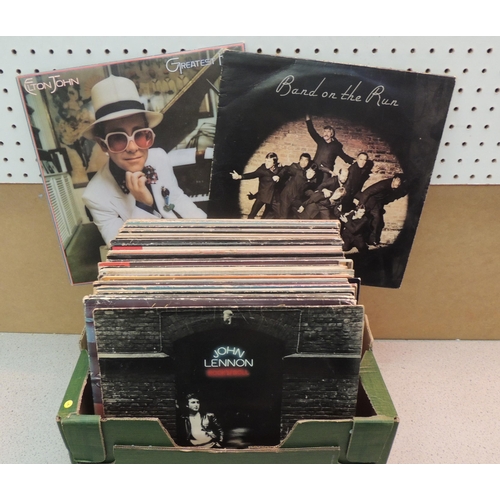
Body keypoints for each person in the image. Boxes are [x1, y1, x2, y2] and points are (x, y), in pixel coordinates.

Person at [81, 75, 206, 245]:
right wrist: (143, 205)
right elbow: (124, 250)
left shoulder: (159, 157)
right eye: (118, 138)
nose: (133, 148)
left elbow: (176, 198)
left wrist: (207, 229)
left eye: (139, 134)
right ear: (103, 145)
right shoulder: (95, 196)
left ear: (148, 135)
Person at [355, 175, 405, 245]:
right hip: (369, 201)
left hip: (377, 204)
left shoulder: (394, 188)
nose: (398, 183)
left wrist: (381, 207)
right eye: (398, 181)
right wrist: (360, 206)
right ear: (394, 179)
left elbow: (385, 198)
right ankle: (360, 239)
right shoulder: (383, 185)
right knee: (371, 219)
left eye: (400, 182)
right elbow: (367, 192)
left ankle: (371, 240)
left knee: (378, 221)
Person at [230, 152, 281, 219]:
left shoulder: (278, 168)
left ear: (274, 163)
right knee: (252, 215)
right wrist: (240, 176)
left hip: (274, 198)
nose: (266, 163)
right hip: (262, 196)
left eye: (269, 161)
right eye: (266, 161)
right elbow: (253, 174)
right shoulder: (262, 169)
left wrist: (278, 176)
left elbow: (284, 171)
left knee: (280, 216)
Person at [305, 115, 354, 183]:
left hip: (326, 173)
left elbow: (344, 156)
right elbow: (312, 131)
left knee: (322, 187)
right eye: (325, 132)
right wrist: (308, 120)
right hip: (315, 169)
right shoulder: (320, 141)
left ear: (332, 134)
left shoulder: (336, 146)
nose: (326, 134)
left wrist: (353, 161)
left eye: (328, 132)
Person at [276, 153, 317, 218]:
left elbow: (306, 190)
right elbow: (286, 168)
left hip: (296, 199)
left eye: (306, 161)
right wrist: (278, 176)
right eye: (302, 160)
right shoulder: (297, 171)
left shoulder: (310, 180)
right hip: (286, 196)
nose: (303, 162)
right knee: (283, 217)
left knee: (303, 215)